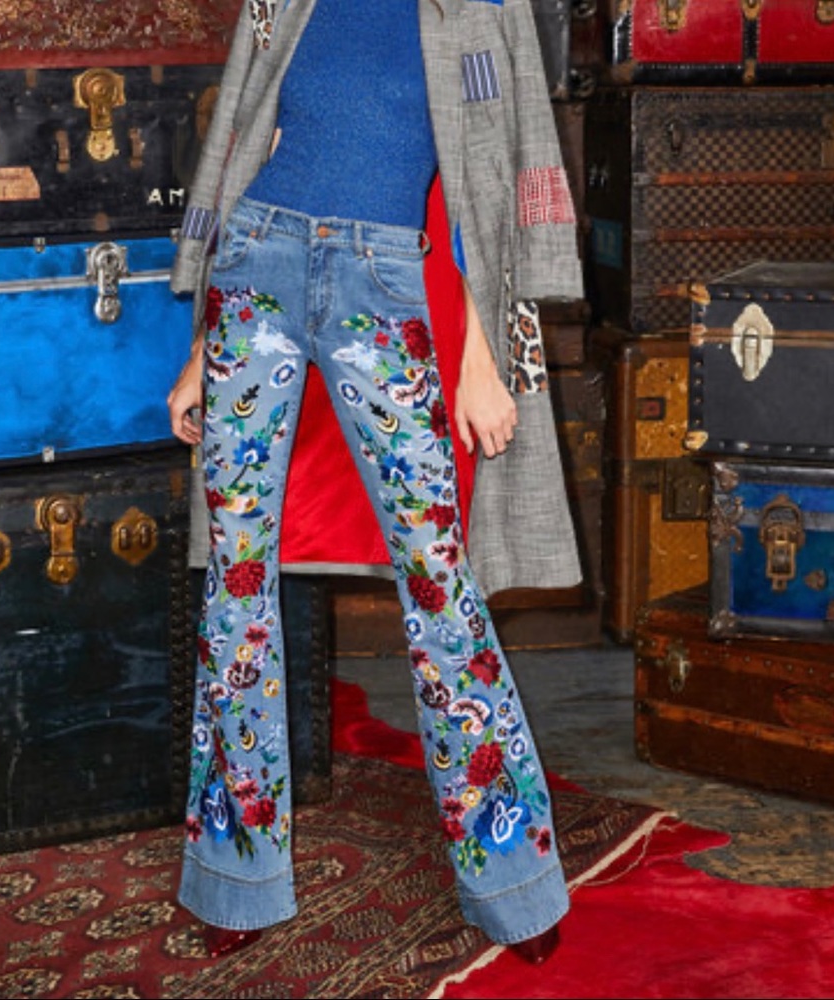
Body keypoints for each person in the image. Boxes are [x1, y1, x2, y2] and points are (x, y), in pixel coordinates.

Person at [167, 0, 583, 964]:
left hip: (386, 282)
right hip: (258, 270)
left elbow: (499, 176)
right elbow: (242, 138)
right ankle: (235, 878)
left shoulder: (484, 8)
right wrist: (200, 347)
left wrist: (483, 356)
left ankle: (512, 883)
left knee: (439, 586)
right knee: (236, 590)